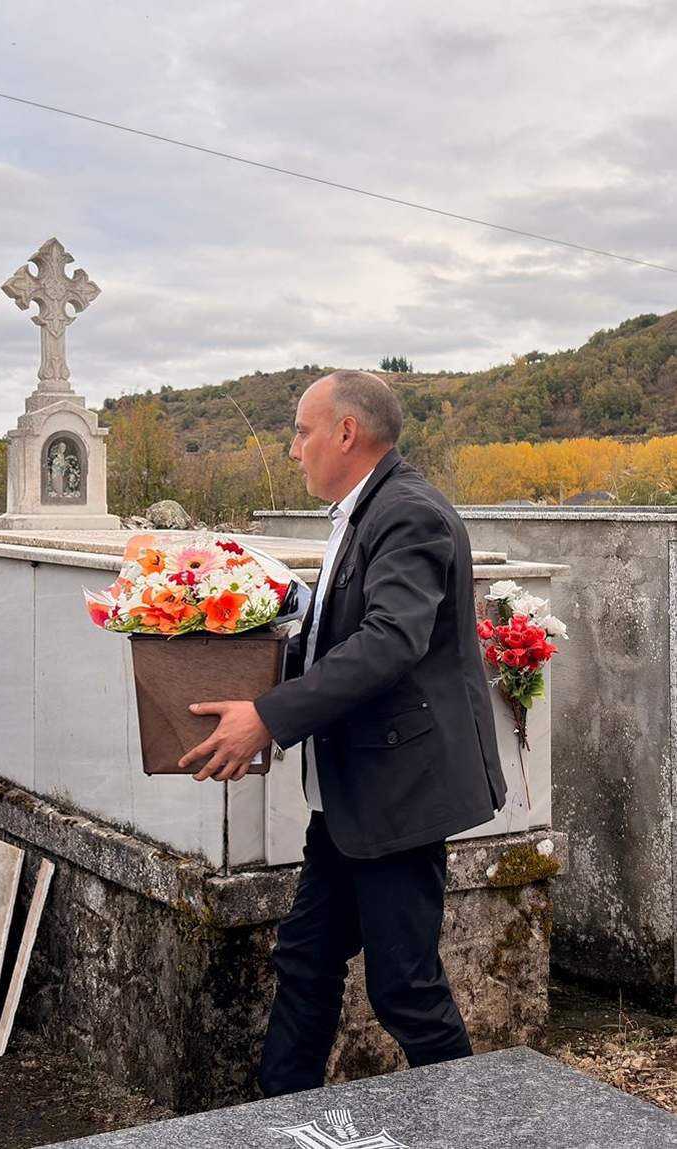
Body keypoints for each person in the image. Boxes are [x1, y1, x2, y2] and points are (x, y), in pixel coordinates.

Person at [179, 370, 506, 1095]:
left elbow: (391, 641)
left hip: (399, 796)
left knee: (405, 991)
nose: (294, 449)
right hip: (353, 799)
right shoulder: (363, 511)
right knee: (306, 957)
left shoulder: (408, 513)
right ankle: (275, 1121)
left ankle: (475, 1125)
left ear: (346, 433)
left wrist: (268, 716)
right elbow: (334, 636)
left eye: (301, 431)